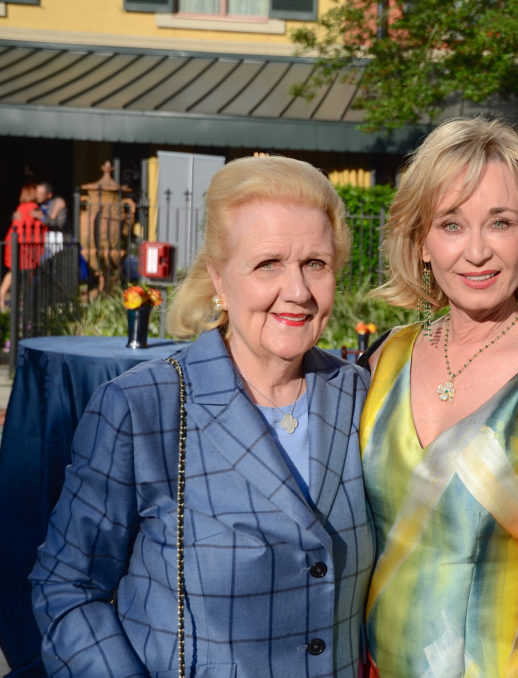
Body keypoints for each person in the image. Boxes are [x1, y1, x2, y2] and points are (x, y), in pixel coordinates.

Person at [30, 156, 374, 677]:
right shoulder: (143, 407)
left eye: (316, 264)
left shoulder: (358, 395)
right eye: (268, 264)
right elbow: (66, 587)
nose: (298, 291)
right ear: (219, 275)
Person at [359, 117, 518, 676]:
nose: (476, 252)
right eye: (451, 224)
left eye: (500, 223)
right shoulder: (385, 359)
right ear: (421, 241)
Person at [1, 182, 46, 311]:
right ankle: (25, 300)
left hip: (13, 242)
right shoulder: (34, 208)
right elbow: (43, 225)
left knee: (13, 271)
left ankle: (2, 297)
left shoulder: (20, 208)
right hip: (26, 245)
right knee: (30, 273)